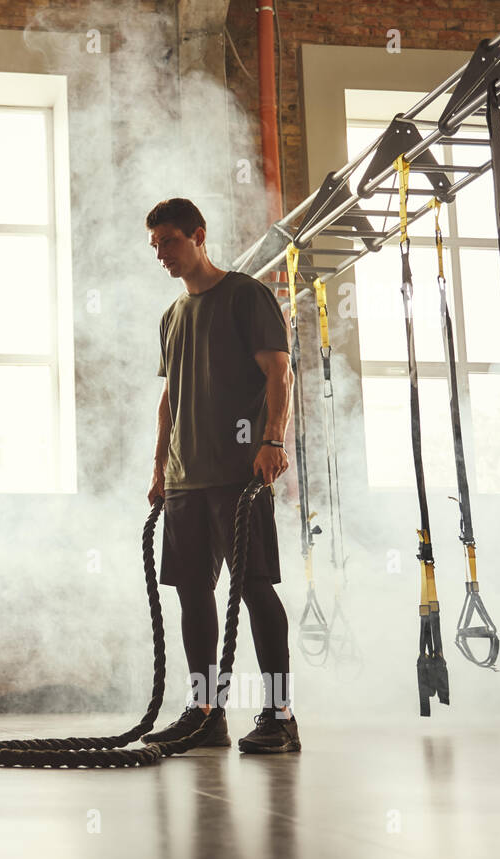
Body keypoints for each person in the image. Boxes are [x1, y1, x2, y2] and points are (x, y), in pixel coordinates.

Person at [144, 198, 301, 754]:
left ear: (198, 235)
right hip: (187, 479)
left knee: (255, 588)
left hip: (240, 473)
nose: (163, 254)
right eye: (156, 245)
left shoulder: (245, 295)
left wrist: (273, 439)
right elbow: (169, 399)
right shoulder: (171, 316)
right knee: (192, 595)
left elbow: (279, 370)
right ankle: (207, 712)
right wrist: (161, 465)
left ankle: (280, 715)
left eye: (171, 241)